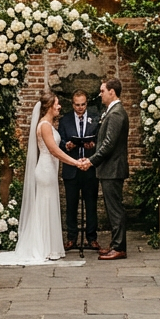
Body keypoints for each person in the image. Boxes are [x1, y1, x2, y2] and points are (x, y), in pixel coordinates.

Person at [0, 90, 83, 265]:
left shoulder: (48, 124)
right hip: (45, 170)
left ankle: (49, 247)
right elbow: (54, 150)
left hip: (49, 170)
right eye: (57, 103)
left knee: (48, 206)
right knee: (45, 206)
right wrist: (76, 163)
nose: (59, 107)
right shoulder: (45, 126)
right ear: (49, 106)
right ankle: (43, 247)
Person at [87, 78, 130, 260]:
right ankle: (115, 244)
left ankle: (119, 247)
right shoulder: (112, 111)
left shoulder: (116, 113)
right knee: (112, 208)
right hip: (109, 168)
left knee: (115, 209)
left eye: (103, 91)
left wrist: (91, 161)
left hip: (113, 168)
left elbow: (109, 144)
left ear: (112, 92)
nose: (100, 94)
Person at [58, 90, 99, 250]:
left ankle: (92, 237)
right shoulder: (65, 120)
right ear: (72, 104)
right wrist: (67, 145)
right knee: (71, 204)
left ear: (87, 103)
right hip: (72, 168)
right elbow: (60, 141)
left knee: (91, 204)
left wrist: (92, 145)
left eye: (83, 104)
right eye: (77, 105)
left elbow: (100, 139)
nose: (80, 108)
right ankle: (71, 237)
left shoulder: (95, 118)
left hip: (89, 168)